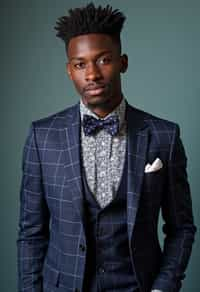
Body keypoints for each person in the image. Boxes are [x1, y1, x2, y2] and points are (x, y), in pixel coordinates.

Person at [17, 3, 196, 292]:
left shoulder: (164, 136)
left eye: (103, 60)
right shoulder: (42, 137)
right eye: (80, 64)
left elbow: (182, 228)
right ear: (69, 70)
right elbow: (31, 234)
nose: (92, 75)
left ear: (123, 62)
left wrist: (163, 287)